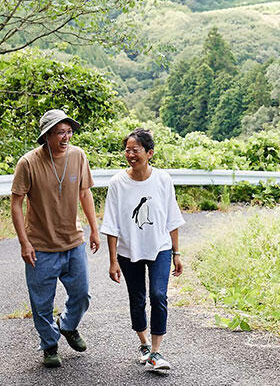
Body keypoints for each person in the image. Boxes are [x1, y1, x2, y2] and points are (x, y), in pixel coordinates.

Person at [10, 109, 100, 368]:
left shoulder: (78, 155)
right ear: (46, 135)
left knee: (82, 294)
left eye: (69, 131)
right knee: (41, 303)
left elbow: (85, 194)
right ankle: (49, 344)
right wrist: (23, 242)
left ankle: (68, 325)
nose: (66, 137)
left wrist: (94, 229)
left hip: (73, 242)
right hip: (40, 246)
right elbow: (16, 204)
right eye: (60, 132)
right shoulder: (28, 163)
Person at [100, 128, 185, 372]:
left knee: (158, 295)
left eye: (135, 150)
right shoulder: (118, 183)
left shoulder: (163, 180)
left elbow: (172, 218)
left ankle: (157, 352)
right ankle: (144, 344)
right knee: (137, 299)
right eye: (127, 150)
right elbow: (112, 224)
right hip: (129, 251)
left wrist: (177, 253)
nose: (130, 154)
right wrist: (113, 260)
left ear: (149, 153)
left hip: (160, 248)